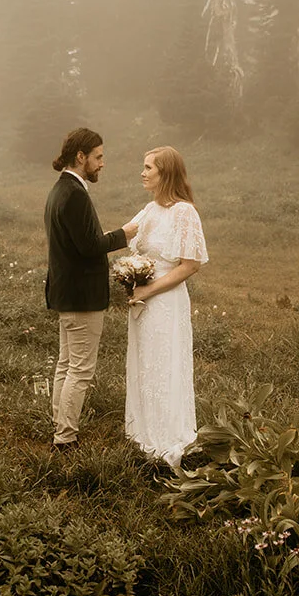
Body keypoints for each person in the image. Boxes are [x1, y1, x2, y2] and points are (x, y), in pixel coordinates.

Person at [44, 127, 139, 452]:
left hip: (66, 293)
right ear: (80, 156)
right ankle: (65, 438)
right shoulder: (75, 194)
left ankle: (61, 427)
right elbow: (90, 246)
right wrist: (124, 233)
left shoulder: (59, 190)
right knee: (80, 370)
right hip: (81, 297)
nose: (102, 163)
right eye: (98, 157)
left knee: (67, 365)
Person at [123, 145, 208, 468]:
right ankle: (142, 432)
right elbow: (122, 238)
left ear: (166, 173)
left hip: (165, 299)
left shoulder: (184, 212)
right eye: (143, 167)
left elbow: (190, 265)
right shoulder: (148, 210)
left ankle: (169, 437)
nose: (142, 173)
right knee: (144, 362)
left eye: (149, 168)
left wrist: (149, 290)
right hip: (141, 299)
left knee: (164, 363)